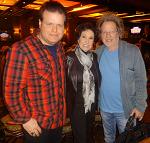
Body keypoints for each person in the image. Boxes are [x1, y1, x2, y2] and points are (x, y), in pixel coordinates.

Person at [3, 1, 67, 143]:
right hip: (37, 124)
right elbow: (10, 90)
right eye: (50, 24)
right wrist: (24, 119)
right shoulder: (21, 49)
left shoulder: (60, 48)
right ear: (40, 23)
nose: (55, 30)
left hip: (58, 119)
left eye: (59, 25)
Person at [96, 13, 147, 143]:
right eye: (104, 32)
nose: (107, 36)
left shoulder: (132, 51)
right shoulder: (97, 53)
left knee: (128, 140)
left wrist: (140, 106)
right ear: (100, 34)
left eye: (111, 31)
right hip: (105, 108)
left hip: (126, 110)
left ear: (118, 32)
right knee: (109, 139)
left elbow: (141, 79)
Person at [66, 22, 101, 143]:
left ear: (94, 41)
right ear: (78, 38)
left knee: (90, 135)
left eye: (90, 38)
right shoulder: (69, 58)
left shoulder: (94, 57)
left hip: (91, 104)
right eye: (83, 36)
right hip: (76, 106)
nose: (87, 41)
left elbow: (97, 82)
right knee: (81, 138)